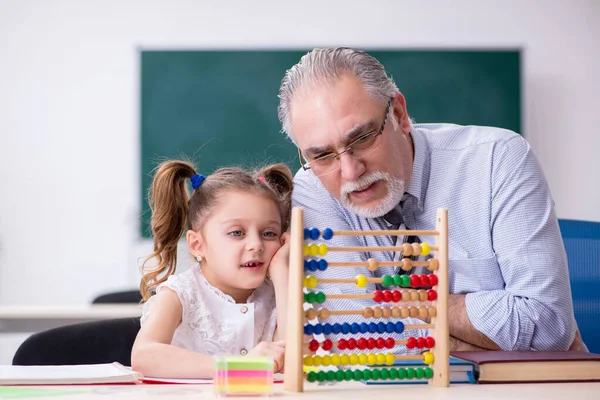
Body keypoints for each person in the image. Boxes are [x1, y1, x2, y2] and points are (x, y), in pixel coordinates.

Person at [278, 47, 584, 352]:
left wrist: (412, 301)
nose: (350, 171)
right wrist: (471, 338)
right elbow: (350, 338)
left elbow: (548, 326)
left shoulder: (498, 159)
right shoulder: (313, 190)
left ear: (399, 114)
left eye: (362, 138)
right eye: (322, 155)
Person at [131, 160, 293, 379]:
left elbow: (292, 364)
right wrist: (241, 366)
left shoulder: (277, 295)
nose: (257, 244)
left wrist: (282, 271)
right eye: (237, 233)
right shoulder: (181, 293)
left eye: (269, 233)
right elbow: (144, 356)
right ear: (198, 245)